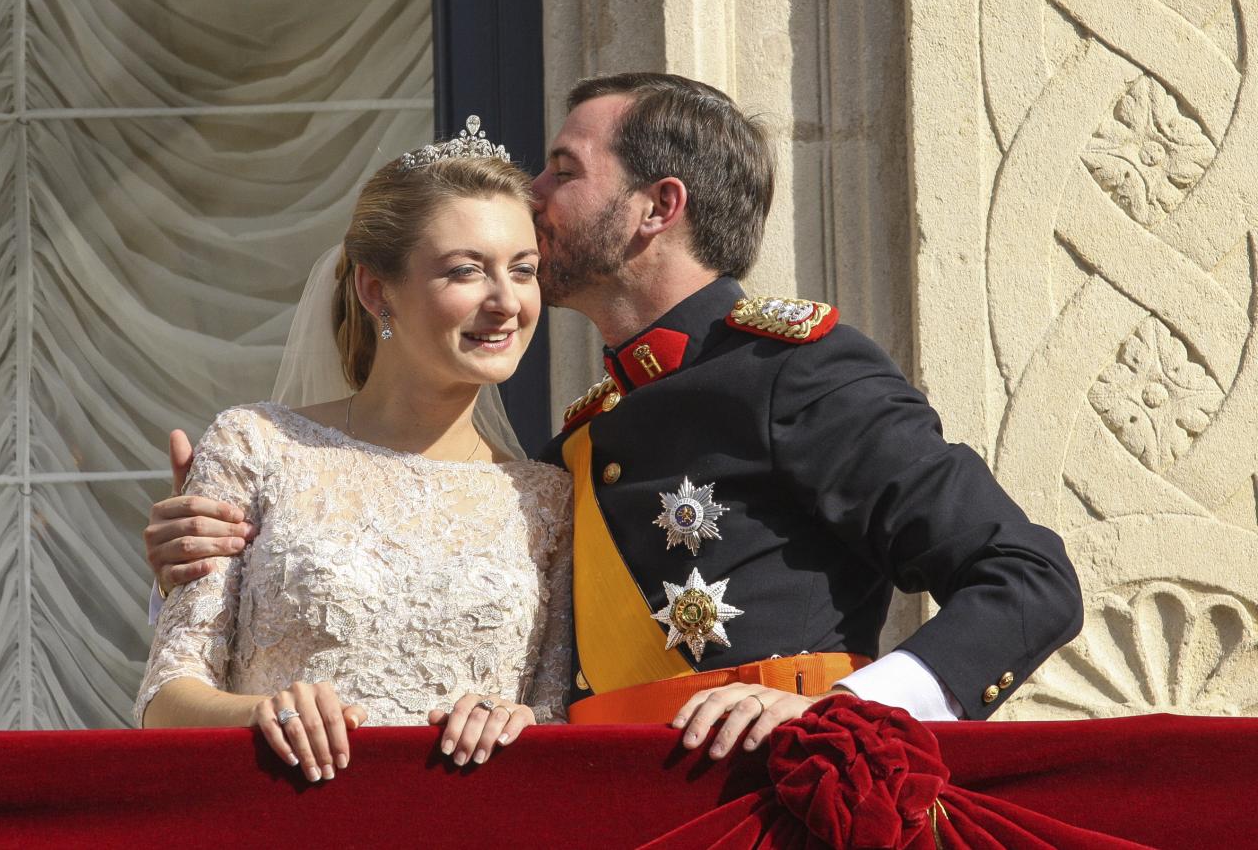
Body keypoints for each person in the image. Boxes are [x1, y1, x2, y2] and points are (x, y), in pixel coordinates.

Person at [145, 74, 1083, 761]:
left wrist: (845, 714)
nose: (533, 196)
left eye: (562, 169)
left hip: (764, 809)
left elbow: (1028, 580)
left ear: (655, 208)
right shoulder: (572, 448)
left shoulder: (794, 373)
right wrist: (229, 544)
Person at [135, 123, 573, 785]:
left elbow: (556, 713)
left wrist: (522, 723)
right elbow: (165, 697)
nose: (505, 302)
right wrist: (265, 713)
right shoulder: (257, 446)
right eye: (465, 271)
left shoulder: (549, 498)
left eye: (523, 271)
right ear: (376, 291)